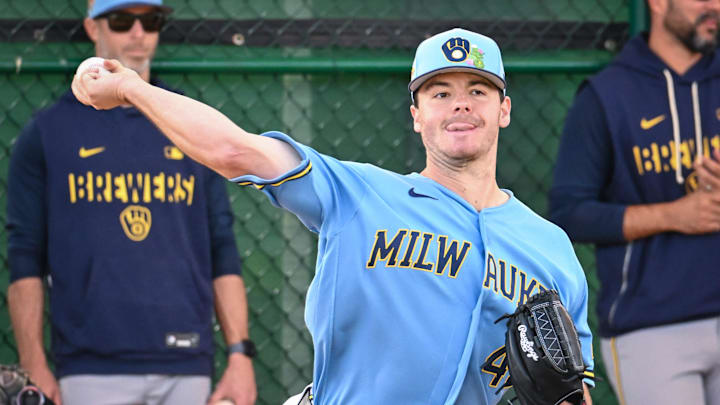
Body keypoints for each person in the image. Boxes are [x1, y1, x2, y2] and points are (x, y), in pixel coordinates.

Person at [71, 27, 595, 404]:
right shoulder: (357, 193)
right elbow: (236, 151)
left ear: (503, 109)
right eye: (440, 92)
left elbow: (577, 390)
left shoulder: (550, 248)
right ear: (416, 116)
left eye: (477, 91)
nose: (460, 105)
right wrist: (131, 89)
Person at [5, 1, 257, 404]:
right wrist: (33, 358)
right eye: (122, 21)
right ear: (92, 28)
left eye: (151, 21)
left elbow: (221, 246)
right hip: (90, 367)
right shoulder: (47, 133)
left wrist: (240, 354)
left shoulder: (190, 125)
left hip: (186, 360)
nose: (138, 33)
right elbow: (24, 255)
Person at [549, 0, 720, 403]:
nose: (715, 6)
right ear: (659, 3)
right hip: (650, 326)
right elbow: (570, 214)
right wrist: (675, 215)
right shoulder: (606, 95)